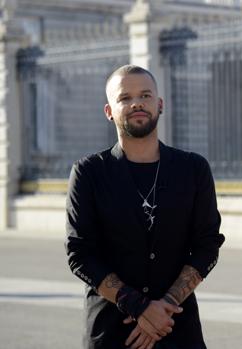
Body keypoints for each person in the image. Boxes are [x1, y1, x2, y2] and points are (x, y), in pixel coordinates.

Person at [65, 65, 225, 349]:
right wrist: (138, 307)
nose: (136, 103)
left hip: (176, 327)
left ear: (160, 104)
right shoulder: (88, 173)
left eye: (145, 95)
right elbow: (80, 253)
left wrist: (165, 306)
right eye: (124, 97)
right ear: (108, 111)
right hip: (111, 331)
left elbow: (207, 245)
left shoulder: (193, 169)